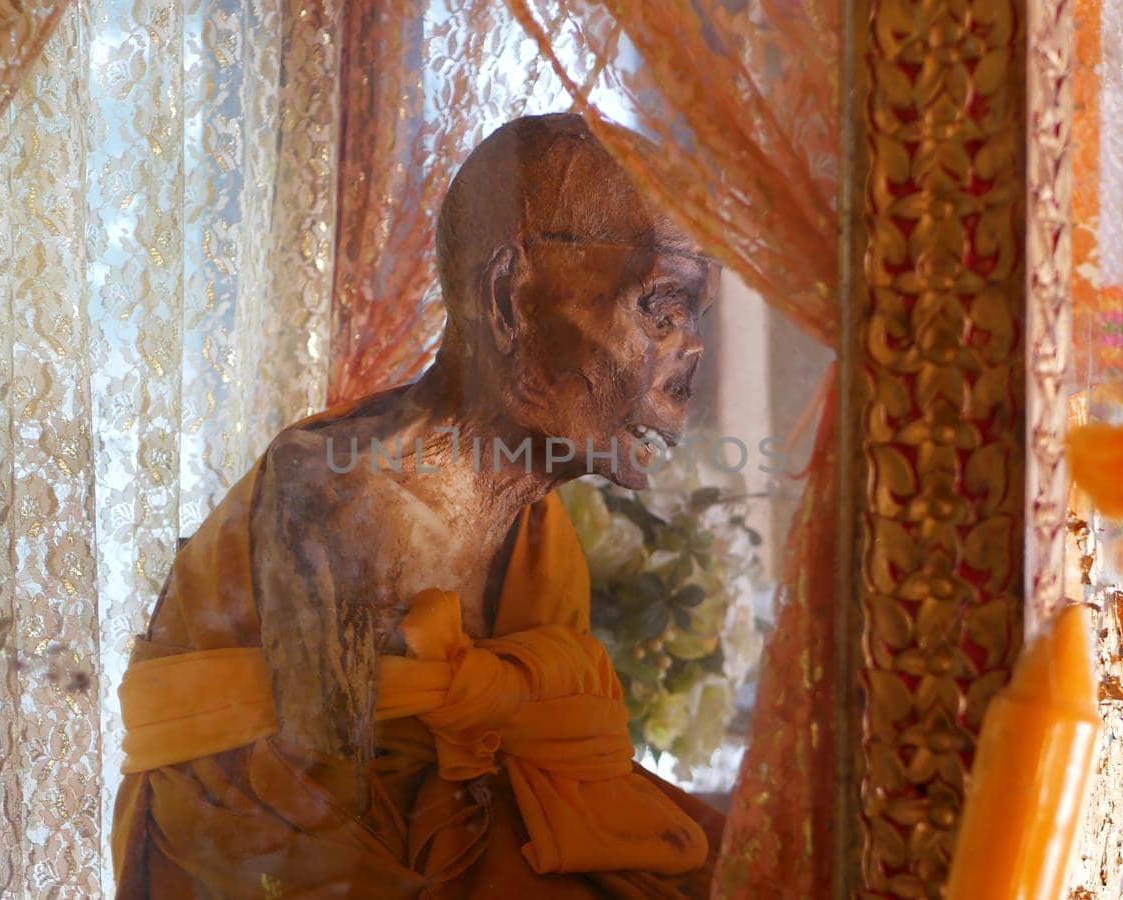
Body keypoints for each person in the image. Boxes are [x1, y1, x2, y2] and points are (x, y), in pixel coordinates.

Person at [111, 112, 723, 898]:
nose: (688, 352)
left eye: (693, 315)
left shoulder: (537, 518)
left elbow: (550, 785)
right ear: (508, 296)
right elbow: (302, 846)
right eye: (659, 308)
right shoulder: (336, 495)